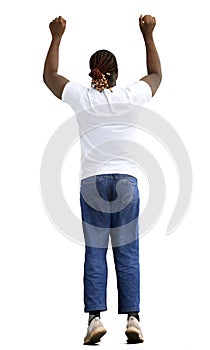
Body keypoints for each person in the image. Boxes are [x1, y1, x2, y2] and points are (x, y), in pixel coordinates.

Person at [43, 14, 162, 345]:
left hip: (92, 184)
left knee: (95, 252)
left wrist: (56, 36)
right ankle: (134, 320)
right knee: (127, 251)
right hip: (126, 182)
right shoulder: (130, 96)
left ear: (93, 73)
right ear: (116, 75)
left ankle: (95, 320)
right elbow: (155, 74)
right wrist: (147, 34)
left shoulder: (83, 98)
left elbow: (50, 75)